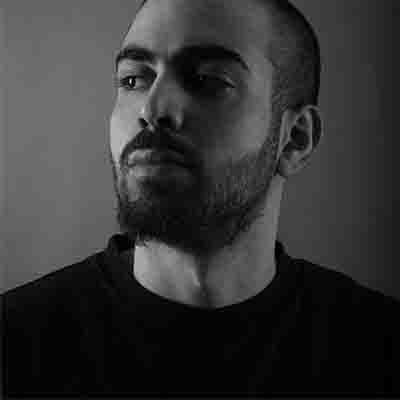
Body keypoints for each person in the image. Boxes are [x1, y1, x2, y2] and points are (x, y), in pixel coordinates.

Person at [3, 0, 399, 396]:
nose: (152, 109)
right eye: (133, 79)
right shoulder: (14, 347)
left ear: (295, 139)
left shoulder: (379, 350)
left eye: (208, 80)